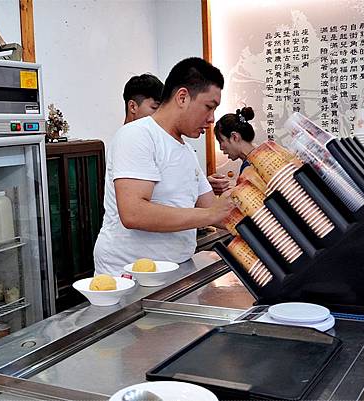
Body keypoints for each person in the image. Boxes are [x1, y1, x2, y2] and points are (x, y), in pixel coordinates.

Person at [93, 57, 234, 276]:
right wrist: (210, 215)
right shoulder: (137, 135)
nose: (211, 119)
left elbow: (213, 208)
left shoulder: (187, 151)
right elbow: (133, 213)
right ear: (183, 97)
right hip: (131, 275)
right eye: (208, 107)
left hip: (176, 269)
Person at [214, 106, 257, 175]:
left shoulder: (251, 167)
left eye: (221, 141)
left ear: (235, 137)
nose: (221, 148)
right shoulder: (263, 156)